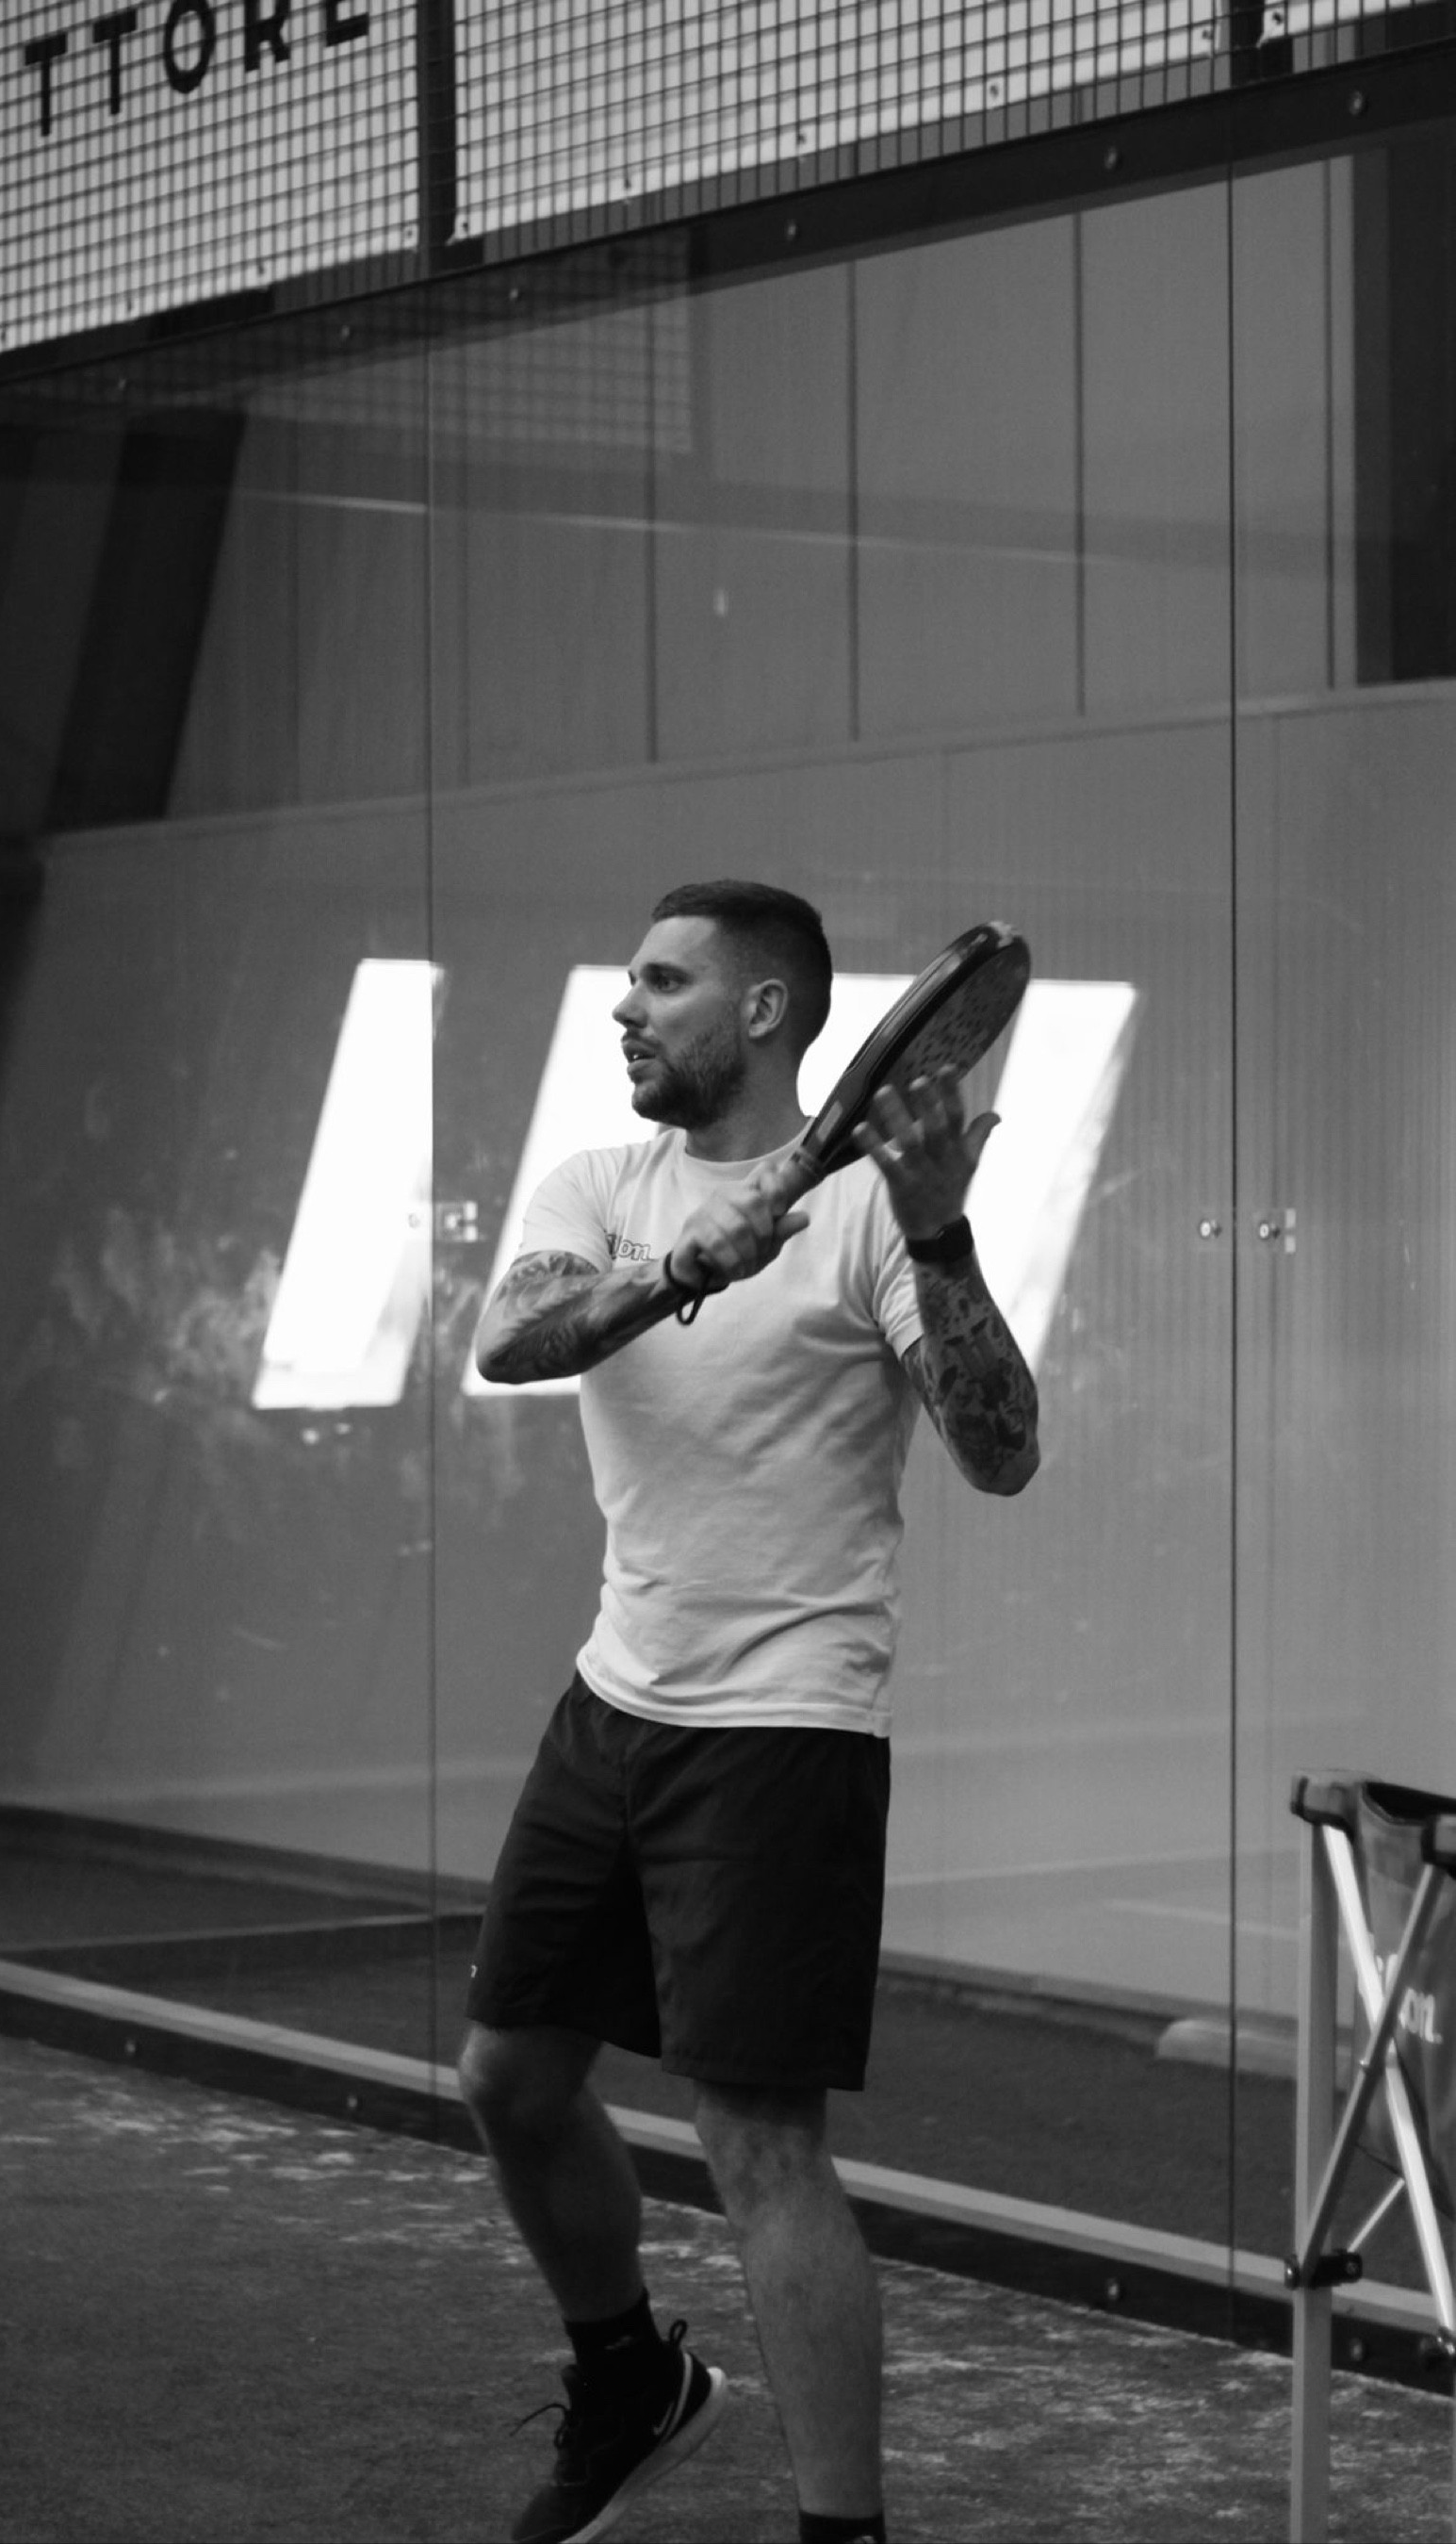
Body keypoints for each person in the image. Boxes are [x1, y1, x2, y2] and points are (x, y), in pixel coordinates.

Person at [459, 878, 1039, 2544]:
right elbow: (513, 1341)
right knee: (509, 2078)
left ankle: (843, 2531)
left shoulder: (870, 1219)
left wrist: (940, 1233)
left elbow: (1003, 1451)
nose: (625, 1009)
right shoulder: (601, 1185)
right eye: (630, 983)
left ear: (766, 1010)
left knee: (758, 2144)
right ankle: (632, 2381)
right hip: (613, 1704)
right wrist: (677, 1269)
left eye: (663, 983)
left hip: (785, 1732)